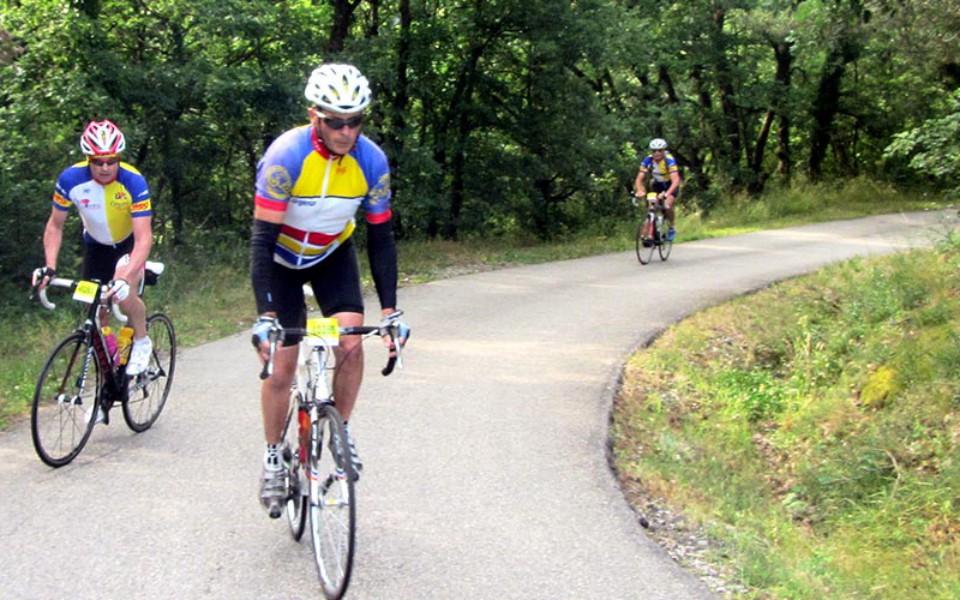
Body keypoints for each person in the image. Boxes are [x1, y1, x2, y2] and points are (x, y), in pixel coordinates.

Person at [250, 63, 402, 518]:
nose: (346, 130)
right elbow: (261, 240)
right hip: (280, 260)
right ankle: (274, 455)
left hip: (332, 253)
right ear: (314, 115)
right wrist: (266, 316)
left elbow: (381, 238)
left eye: (355, 120)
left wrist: (391, 311)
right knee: (282, 363)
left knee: (352, 342)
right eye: (336, 120)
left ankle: (340, 429)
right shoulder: (286, 156)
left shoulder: (371, 161)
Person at [33, 120, 154, 389]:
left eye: (111, 161)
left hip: (128, 246)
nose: (105, 167)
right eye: (98, 161)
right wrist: (50, 266)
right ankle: (110, 375)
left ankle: (142, 340)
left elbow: (144, 238)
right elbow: (55, 225)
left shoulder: (133, 181)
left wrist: (125, 276)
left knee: (123, 295)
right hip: (96, 248)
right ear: (88, 158)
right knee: (94, 311)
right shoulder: (70, 180)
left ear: (118, 158)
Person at [634, 137, 682, 244]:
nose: (657, 153)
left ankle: (671, 227)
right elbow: (639, 178)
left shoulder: (669, 160)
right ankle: (649, 235)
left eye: (660, 150)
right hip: (657, 185)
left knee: (667, 205)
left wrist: (667, 194)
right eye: (654, 151)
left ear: (664, 151)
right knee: (651, 207)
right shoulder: (648, 160)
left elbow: (676, 180)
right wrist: (640, 190)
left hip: (670, 185)